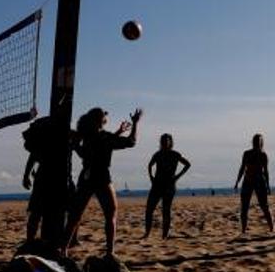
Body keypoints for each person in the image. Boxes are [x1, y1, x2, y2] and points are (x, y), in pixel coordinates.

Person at [63, 107, 142, 256]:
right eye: (104, 114)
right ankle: (110, 253)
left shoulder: (87, 136)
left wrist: (74, 146)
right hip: (101, 177)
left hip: (86, 176)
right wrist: (136, 123)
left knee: (75, 215)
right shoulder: (104, 137)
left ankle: (63, 250)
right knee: (111, 215)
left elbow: (88, 150)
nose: (106, 115)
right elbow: (131, 142)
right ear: (99, 121)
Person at [144, 134, 191, 239]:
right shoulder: (158, 154)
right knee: (149, 209)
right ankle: (147, 233)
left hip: (169, 185)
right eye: (163, 140)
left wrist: (178, 176)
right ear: (161, 142)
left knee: (166, 210)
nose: (165, 142)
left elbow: (188, 164)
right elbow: (150, 165)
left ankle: (164, 235)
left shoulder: (175, 154)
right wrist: (151, 177)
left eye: (167, 140)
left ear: (170, 142)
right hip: (157, 185)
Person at [234, 133, 274, 233]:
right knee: (244, 207)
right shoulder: (247, 153)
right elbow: (242, 168)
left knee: (264, 206)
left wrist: (268, 186)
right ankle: (243, 230)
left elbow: (266, 171)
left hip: (260, 181)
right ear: (252, 142)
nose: (257, 143)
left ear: (261, 143)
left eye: (259, 141)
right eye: (255, 141)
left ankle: (271, 228)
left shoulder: (263, 155)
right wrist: (237, 181)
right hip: (247, 181)